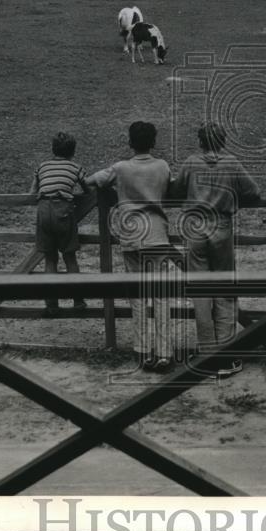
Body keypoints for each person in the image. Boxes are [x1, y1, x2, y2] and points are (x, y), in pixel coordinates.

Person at [170, 122, 259, 377]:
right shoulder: (231, 162)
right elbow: (253, 191)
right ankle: (227, 354)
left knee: (200, 290)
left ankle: (207, 353)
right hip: (220, 225)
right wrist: (231, 198)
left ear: (200, 141)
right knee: (225, 288)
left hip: (194, 225)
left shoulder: (191, 162)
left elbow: (175, 190)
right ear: (223, 141)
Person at [86, 122, 174, 372]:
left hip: (132, 234)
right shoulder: (162, 166)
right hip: (156, 234)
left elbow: (92, 181)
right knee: (161, 295)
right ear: (153, 142)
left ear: (130, 142)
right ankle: (165, 353)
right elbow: (171, 185)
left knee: (137, 295)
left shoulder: (121, 168)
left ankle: (143, 351)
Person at [30, 132, 92, 316]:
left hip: (43, 210)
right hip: (63, 210)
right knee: (69, 257)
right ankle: (78, 301)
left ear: (53, 150)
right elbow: (88, 190)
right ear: (73, 151)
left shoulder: (42, 166)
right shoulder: (75, 167)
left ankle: (51, 304)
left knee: (50, 259)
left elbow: (32, 191)